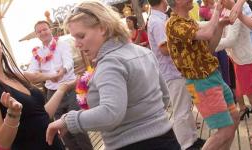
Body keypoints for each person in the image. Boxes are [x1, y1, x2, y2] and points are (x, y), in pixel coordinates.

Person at [46, 1, 181, 150]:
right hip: (167, 138)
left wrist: (68, 120)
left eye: (81, 36)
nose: (77, 44)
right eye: (75, 38)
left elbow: (110, 114)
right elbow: (164, 96)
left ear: (103, 28)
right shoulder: (143, 52)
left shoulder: (110, 63)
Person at [0, 21, 68, 149]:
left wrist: (62, 89)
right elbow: (3, 142)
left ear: (0, 44)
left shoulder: (13, 76)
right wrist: (13, 114)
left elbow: (41, 114)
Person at [165, 0, 239, 149]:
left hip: (213, 77)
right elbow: (207, 33)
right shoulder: (174, 24)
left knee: (234, 118)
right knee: (224, 131)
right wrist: (217, 11)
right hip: (201, 84)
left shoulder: (188, 21)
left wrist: (220, 25)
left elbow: (210, 48)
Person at [24, 21, 93, 150]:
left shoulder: (62, 44)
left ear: (50, 30)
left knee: (77, 125)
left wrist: (62, 72)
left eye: (45, 29)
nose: (43, 32)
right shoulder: (36, 53)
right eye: (39, 31)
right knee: (62, 130)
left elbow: (69, 62)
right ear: (36, 35)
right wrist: (38, 76)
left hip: (70, 88)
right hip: (52, 93)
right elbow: (31, 70)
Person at [147, 0, 205, 149]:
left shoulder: (158, 18)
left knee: (187, 107)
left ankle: (192, 138)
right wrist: (186, 41)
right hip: (173, 73)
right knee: (182, 110)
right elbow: (164, 48)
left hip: (177, 71)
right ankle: (186, 144)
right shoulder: (158, 21)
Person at [215, 2, 252, 144]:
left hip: (246, 61)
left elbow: (230, 40)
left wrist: (210, 44)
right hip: (241, 60)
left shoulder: (235, 14)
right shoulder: (230, 13)